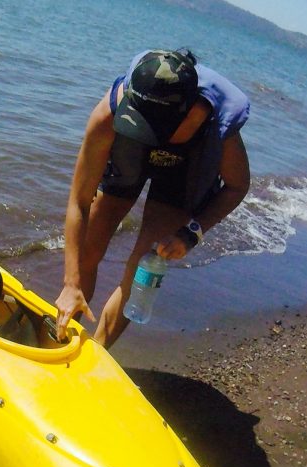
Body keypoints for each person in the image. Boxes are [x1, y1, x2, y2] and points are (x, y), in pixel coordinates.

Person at [55, 49, 251, 349]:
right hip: (129, 152)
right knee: (86, 253)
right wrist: (71, 284)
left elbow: (237, 186)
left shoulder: (218, 126)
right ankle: (62, 341)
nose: (149, 133)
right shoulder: (111, 113)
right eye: (140, 122)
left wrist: (191, 234)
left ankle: (97, 354)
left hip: (185, 166)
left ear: (192, 112)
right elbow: (79, 200)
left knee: (143, 268)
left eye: (156, 127)